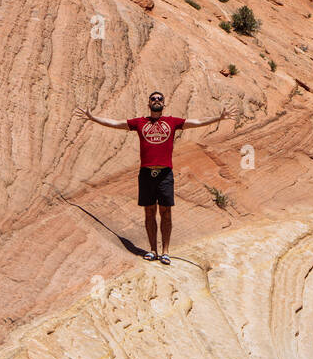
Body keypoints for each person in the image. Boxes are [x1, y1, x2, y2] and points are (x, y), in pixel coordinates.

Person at [75, 92, 234, 264]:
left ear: (163, 104)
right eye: (153, 99)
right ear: (149, 103)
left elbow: (195, 122)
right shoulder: (140, 122)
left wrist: (219, 118)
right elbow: (116, 123)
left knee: (166, 213)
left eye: (160, 99)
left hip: (165, 174)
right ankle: (153, 250)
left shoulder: (172, 122)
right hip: (146, 174)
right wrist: (93, 118)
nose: (156, 101)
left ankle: (165, 252)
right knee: (149, 212)